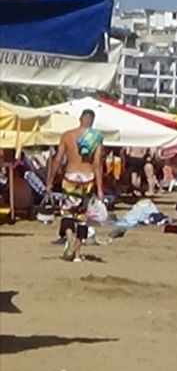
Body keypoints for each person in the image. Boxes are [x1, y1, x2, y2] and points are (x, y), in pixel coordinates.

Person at [45, 109, 105, 262]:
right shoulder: (96, 138)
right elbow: (97, 164)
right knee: (83, 217)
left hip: (71, 176)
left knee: (67, 213)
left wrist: (50, 181)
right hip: (87, 177)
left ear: (80, 118)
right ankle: (77, 255)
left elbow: (57, 159)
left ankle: (69, 236)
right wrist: (99, 188)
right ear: (92, 120)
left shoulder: (67, 135)